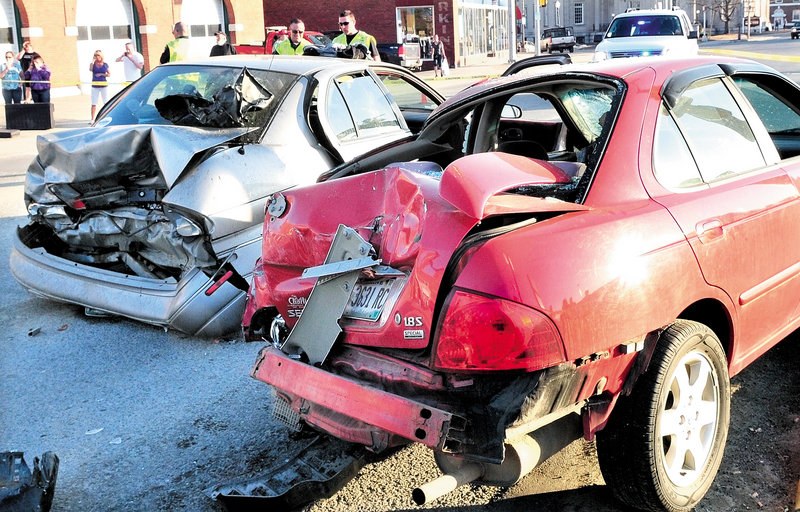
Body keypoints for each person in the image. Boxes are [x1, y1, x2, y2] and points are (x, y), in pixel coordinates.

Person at [90, 50, 110, 120]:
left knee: (106, 102)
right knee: (94, 103)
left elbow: (109, 74)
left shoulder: (105, 64)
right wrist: (92, 61)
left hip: (103, 85)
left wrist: (102, 74)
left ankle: (106, 117)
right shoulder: (93, 64)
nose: (97, 57)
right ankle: (92, 119)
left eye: (98, 55)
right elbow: (90, 69)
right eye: (95, 55)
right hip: (95, 86)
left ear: (101, 56)